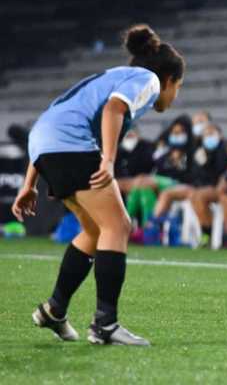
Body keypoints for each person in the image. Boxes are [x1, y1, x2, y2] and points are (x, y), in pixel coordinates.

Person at [11, 24, 185, 346]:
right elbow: (114, 108)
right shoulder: (148, 79)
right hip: (71, 144)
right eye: (179, 86)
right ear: (170, 80)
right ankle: (106, 324)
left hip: (44, 144)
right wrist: (106, 159)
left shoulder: (114, 74)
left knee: (94, 230)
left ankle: (54, 309)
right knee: (118, 225)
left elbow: (54, 118)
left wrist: (29, 183)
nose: (175, 95)